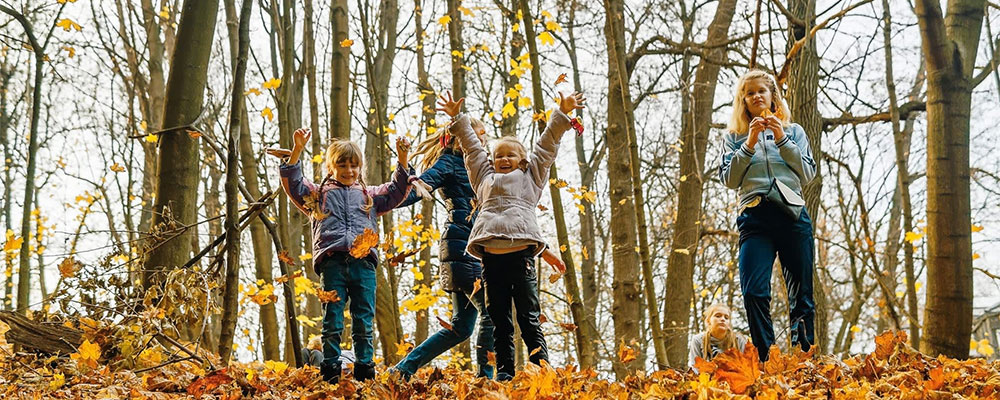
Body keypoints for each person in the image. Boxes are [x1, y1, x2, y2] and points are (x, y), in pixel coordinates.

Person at [442, 90, 585, 380]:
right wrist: (457, 119)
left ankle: (541, 371)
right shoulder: (483, 177)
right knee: (499, 320)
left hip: (521, 257)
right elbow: (472, 149)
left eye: (510, 155)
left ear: (521, 159)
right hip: (491, 260)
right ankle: (505, 373)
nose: (503, 159)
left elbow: (545, 148)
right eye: (498, 156)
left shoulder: (530, 177)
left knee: (528, 318)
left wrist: (561, 113)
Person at [273, 129, 414, 383]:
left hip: (364, 265)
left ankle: (364, 372)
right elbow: (294, 184)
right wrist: (297, 149)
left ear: (360, 167)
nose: (348, 170)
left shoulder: (369, 196)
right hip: (332, 263)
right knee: (332, 320)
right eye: (342, 165)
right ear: (331, 166)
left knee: (363, 320)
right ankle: (330, 371)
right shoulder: (319, 195)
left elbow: (396, 190)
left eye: (354, 165)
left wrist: (402, 157)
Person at [719, 69, 817, 362]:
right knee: (753, 291)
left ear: (772, 96)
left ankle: (804, 359)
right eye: (749, 93)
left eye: (761, 90)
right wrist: (749, 144)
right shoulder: (734, 137)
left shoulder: (794, 131)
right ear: (743, 101)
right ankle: (767, 359)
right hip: (755, 218)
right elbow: (728, 178)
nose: (756, 96)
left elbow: (808, 172)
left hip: (792, 214)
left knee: (802, 293)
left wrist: (782, 138)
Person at [389, 118, 496, 379]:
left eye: (483, 136)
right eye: (475, 135)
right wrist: (395, 189)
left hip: (480, 247)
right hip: (463, 246)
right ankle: (487, 380)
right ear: (458, 138)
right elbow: (417, 189)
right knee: (492, 312)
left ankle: (404, 368)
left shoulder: (483, 168)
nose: (480, 140)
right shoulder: (450, 162)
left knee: (461, 328)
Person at [688, 304, 747, 372]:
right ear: (708, 321)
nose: (722, 319)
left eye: (726, 318)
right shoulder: (698, 340)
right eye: (718, 316)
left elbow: (745, 367)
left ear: (729, 324)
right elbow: (695, 367)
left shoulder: (738, 340)